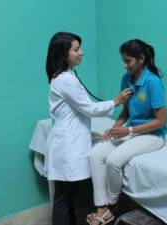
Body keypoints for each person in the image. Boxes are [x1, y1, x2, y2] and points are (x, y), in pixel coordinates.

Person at [44, 32, 132, 225]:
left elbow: (73, 114)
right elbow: (89, 108)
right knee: (64, 199)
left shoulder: (64, 77)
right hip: (67, 145)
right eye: (76, 49)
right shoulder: (65, 80)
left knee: (68, 197)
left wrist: (90, 134)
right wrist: (116, 101)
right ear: (63, 53)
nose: (81, 53)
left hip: (69, 140)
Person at [87, 39, 167, 225]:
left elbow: (161, 121)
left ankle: (113, 206)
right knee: (96, 154)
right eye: (124, 60)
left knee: (114, 160)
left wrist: (128, 130)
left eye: (129, 61)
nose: (125, 65)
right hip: (131, 130)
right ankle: (101, 206)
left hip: (152, 135)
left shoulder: (153, 82)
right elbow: (126, 111)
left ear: (141, 59)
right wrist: (115, 128)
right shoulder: (126, 79)